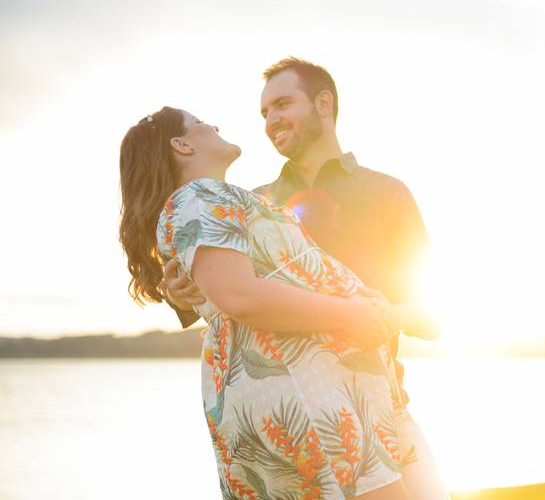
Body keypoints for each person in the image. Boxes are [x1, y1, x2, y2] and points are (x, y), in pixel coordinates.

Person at [119, 107, 447, 499]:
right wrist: (350, 313)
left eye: (283, 103)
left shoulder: (384, 192)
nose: (269, 117)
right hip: (312, 390)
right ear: (182, 144)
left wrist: (379, 313)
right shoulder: (214, 196)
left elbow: (429, 310)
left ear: (323, 103)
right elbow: (235, 293)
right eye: (203, 122)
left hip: (361, 387)